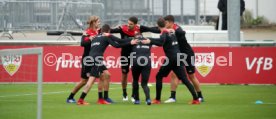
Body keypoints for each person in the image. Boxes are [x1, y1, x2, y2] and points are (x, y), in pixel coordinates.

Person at [142, 18, 200, 105]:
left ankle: (157, 99)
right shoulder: (172, 32)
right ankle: (196, 99)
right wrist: (151, 39)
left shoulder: (164, 34)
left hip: (171, 59)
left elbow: (161, 42)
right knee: (185, 79)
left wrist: (150, 40)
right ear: (165, 24)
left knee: (159, 76)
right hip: (179, 57)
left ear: (157, 26)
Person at [77, 24, 137, 105]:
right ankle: (81, 99)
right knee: (91, 80)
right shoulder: (106, 37)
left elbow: (87, 44)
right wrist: (130, 42)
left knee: (105, 75)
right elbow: (117, 44)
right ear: (108, 31)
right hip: (97, 59)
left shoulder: (95, 37)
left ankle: (101, 99)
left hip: (89, 58)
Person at [110, 16, 160, 101]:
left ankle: (134, 94)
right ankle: (124, 93)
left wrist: (145, 27)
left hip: (136, 54)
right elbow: (110, 31)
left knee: (134, 75)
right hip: (125, 54)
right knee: (124, 73)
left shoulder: (140, 28)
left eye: (131, 24)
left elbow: (156, 30)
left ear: (135, 24)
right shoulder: (123, 29)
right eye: (128, 23)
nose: (128, 25)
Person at [66, 16, 114, 104]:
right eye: (98, 21)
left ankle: (102, 99)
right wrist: (89, 39)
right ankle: (70, 97)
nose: (99, 23)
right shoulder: (87, 32)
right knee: (84, 81)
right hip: (88, 59)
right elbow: (82, 43)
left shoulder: (99, 31)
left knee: (105, 75)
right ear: (93, 23)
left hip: (96, 59)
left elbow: (109, 31)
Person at [162, 15, 204, 103]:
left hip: (187, 54)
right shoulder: (167, 30)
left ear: (170, 22)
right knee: (173, 74)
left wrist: (174, 31)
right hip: (178, 55)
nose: (164, 24)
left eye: (165, 23)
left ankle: (200, 96)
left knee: (191, 76)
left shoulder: (177, 28)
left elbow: (181, 32)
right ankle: (172, 97)